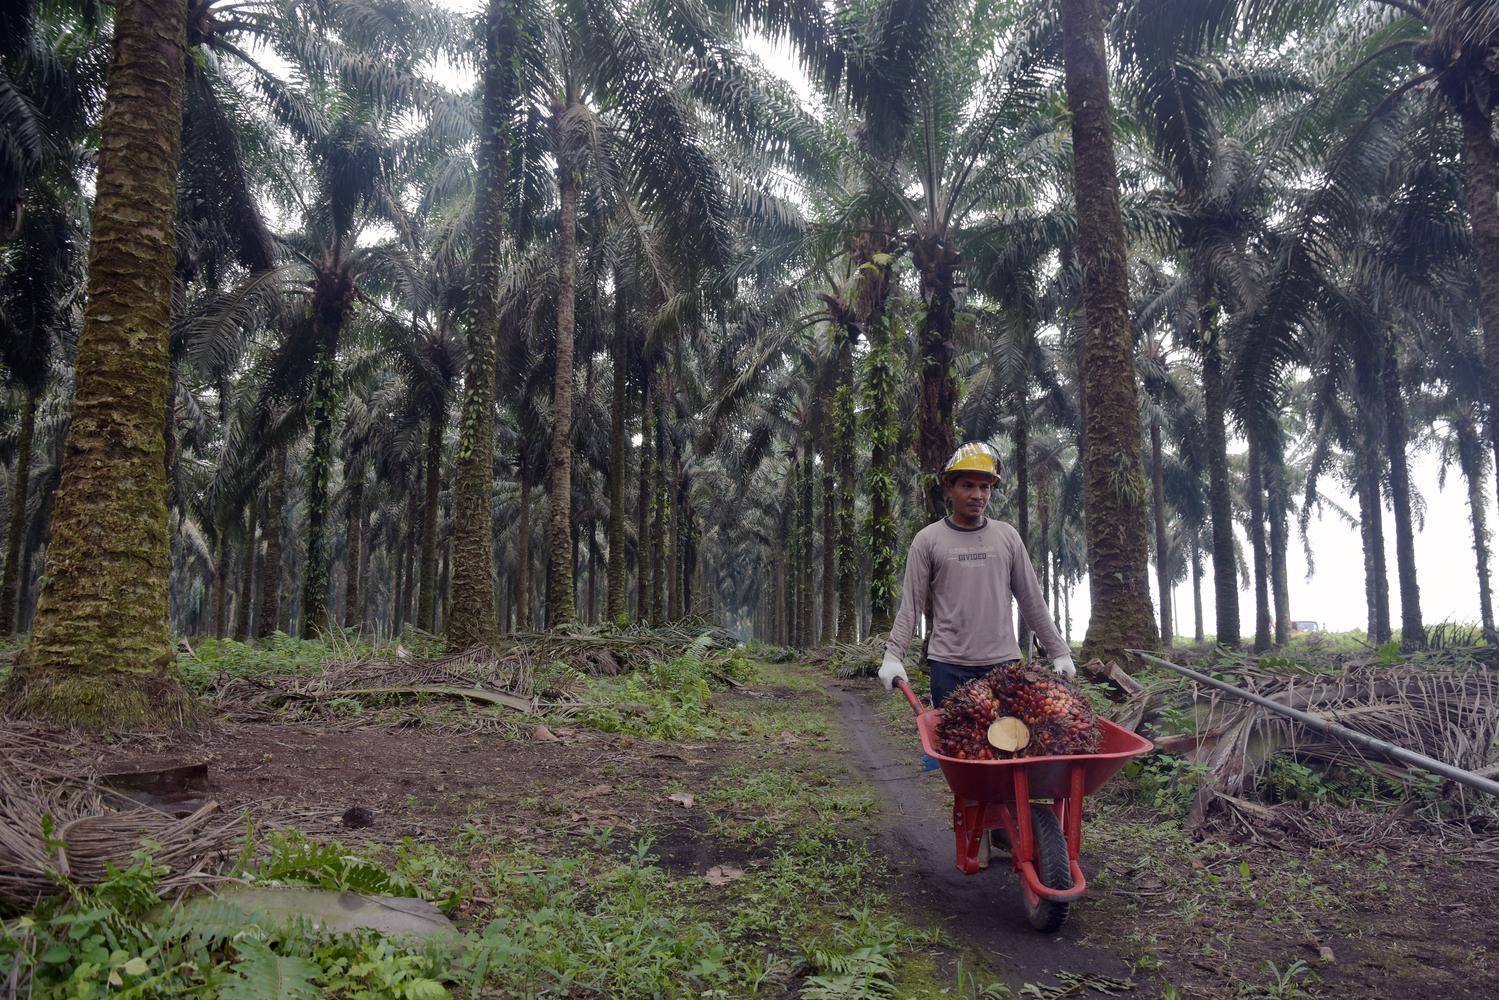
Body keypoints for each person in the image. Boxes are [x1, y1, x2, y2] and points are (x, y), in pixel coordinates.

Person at [878, 442, 1075, 707]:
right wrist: (893, 656)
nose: (977, 495)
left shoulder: (1007, 537)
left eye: (985, 487)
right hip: (949, 666)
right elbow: (910, 605)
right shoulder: (928, 540)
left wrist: (1059, 651)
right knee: (951, 745)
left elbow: (1031, 600)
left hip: (1003, 664)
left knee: (1008, 741)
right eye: (967, 485)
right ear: (949, 487)